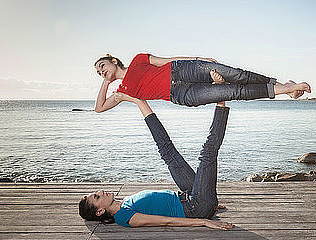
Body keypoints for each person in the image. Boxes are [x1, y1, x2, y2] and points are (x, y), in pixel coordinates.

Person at [79, 71, 235, 230]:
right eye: (97, 197)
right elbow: (166, 221)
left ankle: (139, 101)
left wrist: (206, 195)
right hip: (196, 207)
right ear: (100, 211)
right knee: (207, 153)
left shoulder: (124, 203)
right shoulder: (124, 217)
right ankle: (220, 96)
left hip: (192, 197)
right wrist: (204, 220)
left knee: (167, 151)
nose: (101, 191)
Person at [93, 53, 311, 113]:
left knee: (237, 74)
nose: (101, 71)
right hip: (180, 94)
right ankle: (286, 89)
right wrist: (105, 83)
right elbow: (99, 108)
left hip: (182, 69)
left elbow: (168, 60)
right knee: (233, 92)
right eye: (98, 72)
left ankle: (284, 86)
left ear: (113, 61)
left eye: (102, 66)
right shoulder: (122, 91)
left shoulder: (138, 59)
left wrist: (198, 58)